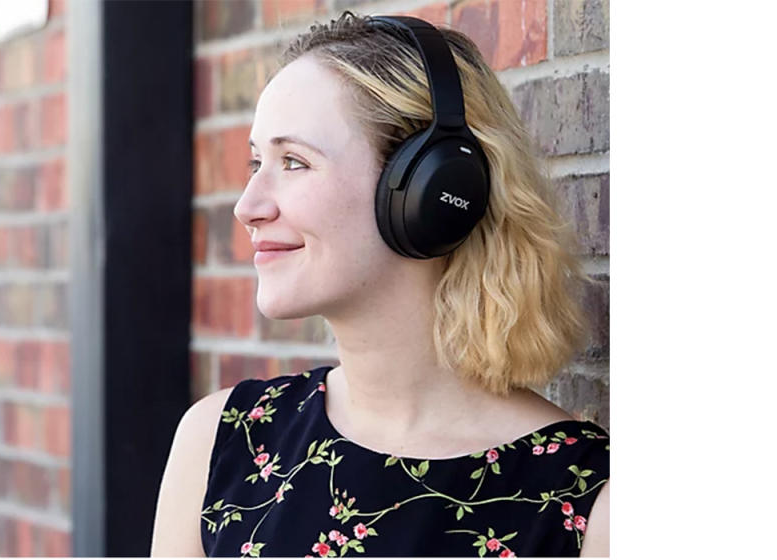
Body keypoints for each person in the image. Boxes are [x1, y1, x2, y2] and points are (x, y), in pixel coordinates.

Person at [152, 11, 609, 558]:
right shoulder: (220, 443)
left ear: (430, 190)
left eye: (294, 162)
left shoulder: (592, 503)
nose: (247, 206)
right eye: (257, 162)